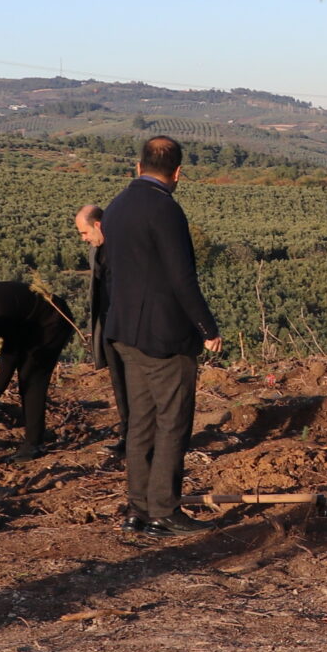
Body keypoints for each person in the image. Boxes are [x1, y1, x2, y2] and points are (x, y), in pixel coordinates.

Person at [102, 136, 224, 535]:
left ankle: (137, 509)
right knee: (172, 421)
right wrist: (207, 328)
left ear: (138, 167)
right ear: (177, 173)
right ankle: (164, 511)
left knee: (140, 422)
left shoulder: (117, 206)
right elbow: (181, 277)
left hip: (124, 332)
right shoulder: (166, 210)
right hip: (164, 336)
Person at [0, 280, 76, 459]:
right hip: (26, 322)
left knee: (31, 378)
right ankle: (38, 432)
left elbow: (11, 355)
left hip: (52, 320)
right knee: (27, 374)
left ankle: (34, 444)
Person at [78, 204, 130, 457]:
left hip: (130, 327)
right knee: (120, 384)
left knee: (135, 385)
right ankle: (127, 436)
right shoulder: (96, 250)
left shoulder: (124, 246)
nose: (84, 238)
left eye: (85, 232)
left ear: (98, 224)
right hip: (109, 325)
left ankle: (141, 438)